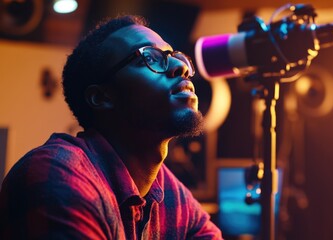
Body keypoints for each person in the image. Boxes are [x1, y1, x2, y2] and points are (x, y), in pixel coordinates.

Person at [0, 15, 223, 239]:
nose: (179, 67)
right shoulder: (58, 175)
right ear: (101, 97)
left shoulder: (167, 191)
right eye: (150, 57)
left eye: (175, 56)